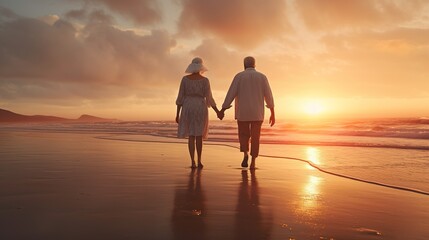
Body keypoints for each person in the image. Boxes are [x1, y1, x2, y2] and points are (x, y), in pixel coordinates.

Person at [220, 56, 275, 169]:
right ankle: (253, 162)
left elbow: (231, 93)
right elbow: (268, 95)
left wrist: (223, 109)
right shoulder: (262, 77)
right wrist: (272, 112)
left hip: (243, 113)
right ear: (255, 65)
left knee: (244, 136)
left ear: (244, 65)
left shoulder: (239, 76)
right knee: (256, 137)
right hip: (257, 113)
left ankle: (245, 154)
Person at [176, 57, 221, 169]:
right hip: (200, 106)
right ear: (201, 66)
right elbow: (209, 98)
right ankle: (200, 160)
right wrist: (218, 111)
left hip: (188, 106)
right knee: (199, 135)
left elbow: (180, 97)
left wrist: (177, 113)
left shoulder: (185, 79)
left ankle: (192, 161)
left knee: (191, 135)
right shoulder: (205, 80)